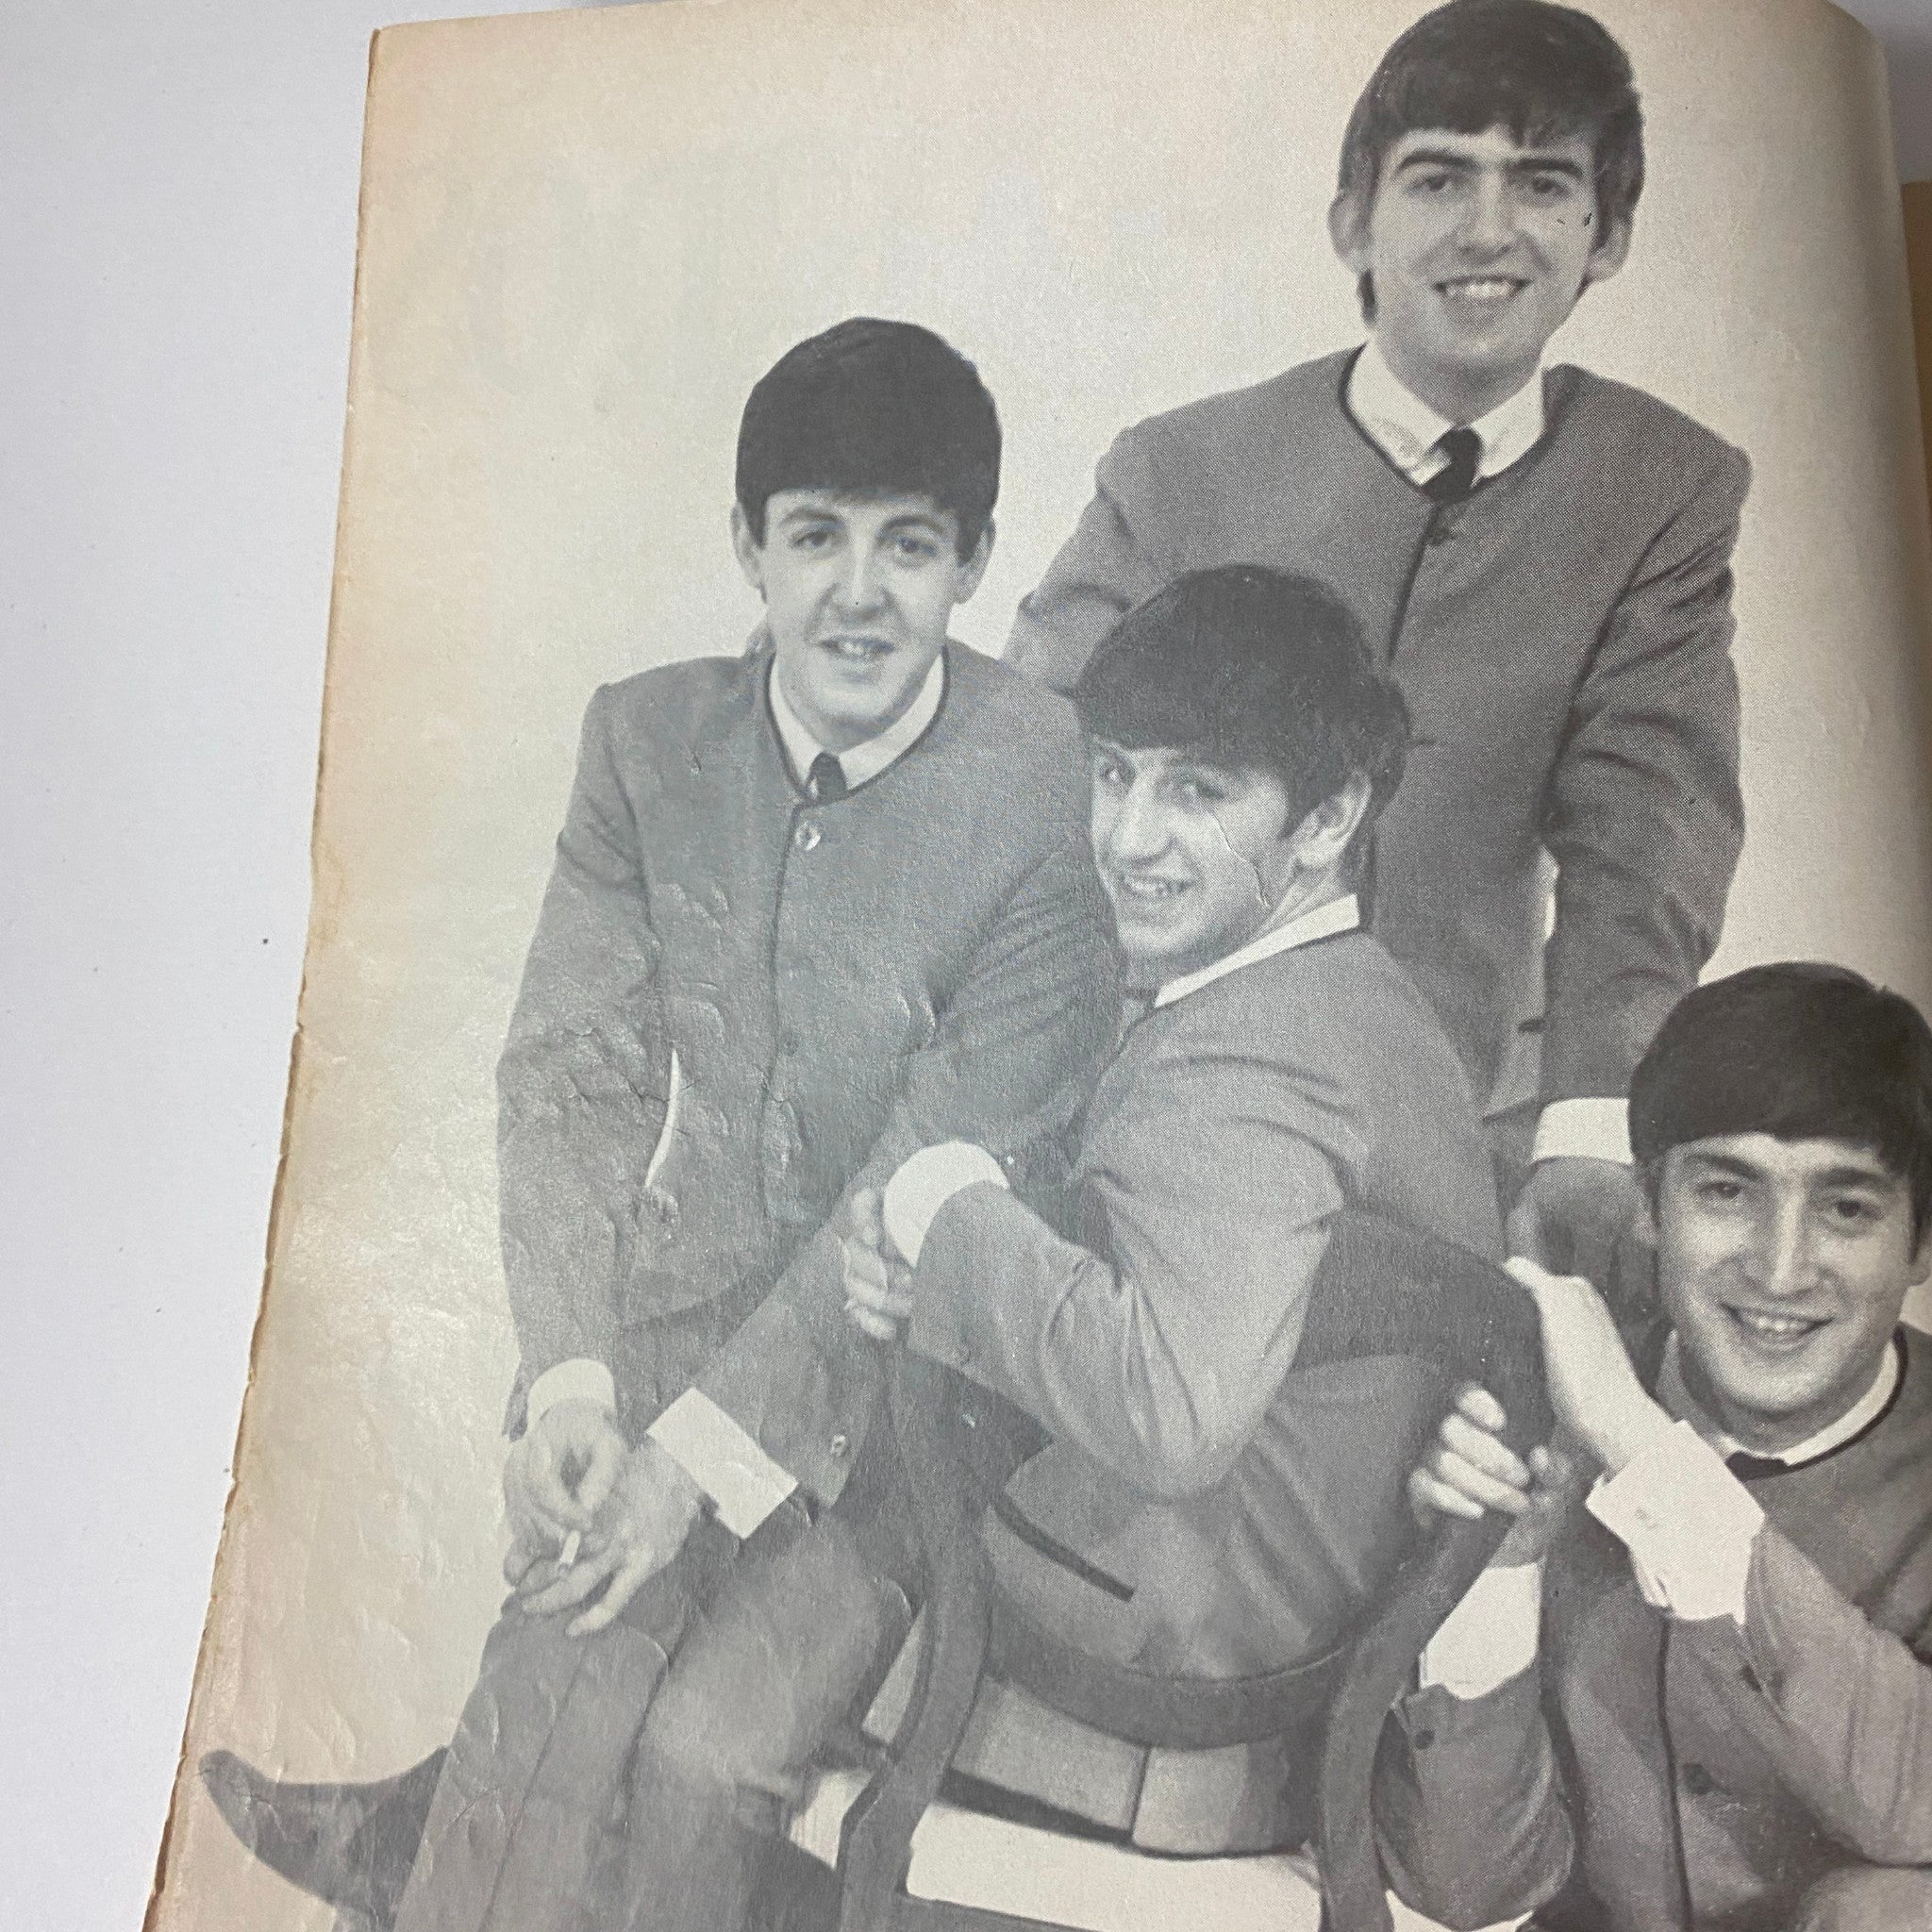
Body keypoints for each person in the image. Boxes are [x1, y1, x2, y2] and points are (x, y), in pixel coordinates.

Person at [200, 316, 1120, 1932]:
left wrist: (684, 1464)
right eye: (813, 536)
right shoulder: (647, 737)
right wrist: (571, 1373)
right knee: (555, 1665)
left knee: (692, 1753)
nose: (856, 591)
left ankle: (416, 1868)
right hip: (674, 1331)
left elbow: (913, 1192)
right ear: (746, 549)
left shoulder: (1047, 783)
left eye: (909, 546)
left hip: (925, 1399)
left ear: (976, 562)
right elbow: (568, 1075)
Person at [1006, 0, 1750, 1292]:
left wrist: (1589, 1124)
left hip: (1467, 1134)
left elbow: (1650, 833)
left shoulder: (1660, 489)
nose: (1488, 229)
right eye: (1439, 176)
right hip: (1168, 1115)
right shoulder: (1181, 471)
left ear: (1608, 236)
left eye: (1543, 183)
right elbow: (1025, 776)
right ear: (1354, 220)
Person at [841, 563, 1503, 1855]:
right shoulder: (1357, 1006)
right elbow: (1205, 1265)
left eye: (1196, 790)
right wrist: (949, 1276)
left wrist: (945, 1206)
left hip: (1148, 1679)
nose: (1128, 836)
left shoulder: (1244, 1057)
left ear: (1327, 820)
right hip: (1269, 1645)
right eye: (1114, 773)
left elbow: (1171, 1413)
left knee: (746, 1579)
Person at [1377, 962, 1932, 1930]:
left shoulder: (1605, 1411)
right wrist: (1497, 1571)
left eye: (1844, 1206)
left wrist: (1639, 1448)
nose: (1776, 1265)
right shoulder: (1543, 1414)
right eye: (1725, 1189)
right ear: (1646, 1204)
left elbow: (1916, 1801)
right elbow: (1464, 1888)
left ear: (1920, 1244)